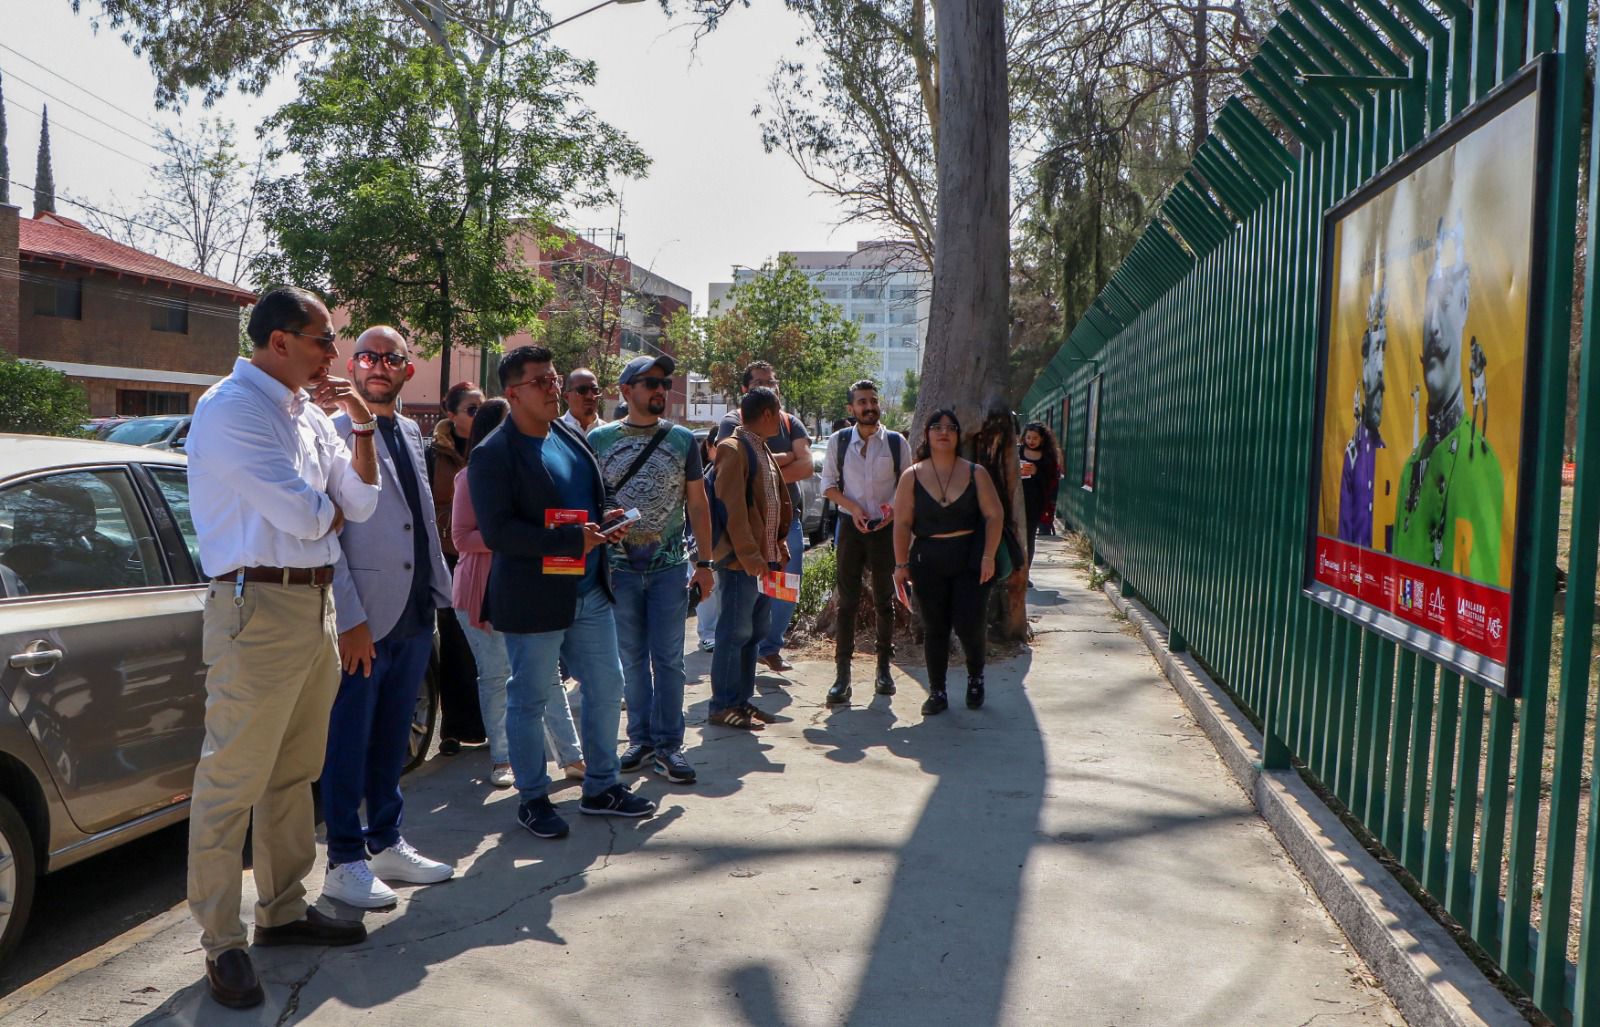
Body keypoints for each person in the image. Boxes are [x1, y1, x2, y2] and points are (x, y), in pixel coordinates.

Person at [184, 286, 381, 1009]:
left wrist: (359, 426)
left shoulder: (309, 414)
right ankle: (221, 940)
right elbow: (304, 513)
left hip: (312, 602)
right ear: (279, 343)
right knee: (232, 778)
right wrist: (327, 511)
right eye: (324, 338)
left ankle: (282, 910)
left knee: (293, 770)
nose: (336, 353)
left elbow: (360, 504)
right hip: (256, 603)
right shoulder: (232, 410)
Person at [467, 345, 655, 840]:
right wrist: (574, 539)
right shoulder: (493, 454)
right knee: (528, 699)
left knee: (606, 686)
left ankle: (601, 786)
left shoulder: (570, 438)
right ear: (512, 394)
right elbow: (499, 534)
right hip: (534, 597)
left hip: (589, 589)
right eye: (541, 382)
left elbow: (594, 495)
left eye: (554, 378)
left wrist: (608, 518)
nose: (554, 387)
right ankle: (533, 797)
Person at [320, 327, 457, 908]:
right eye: (368, 357)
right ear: (353, 365)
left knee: (393, 737)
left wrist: (437, 592)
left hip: (414, 609)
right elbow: (331, 537)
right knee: (348, 740)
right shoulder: (331, 432)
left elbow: (417, 520)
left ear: (407, 368)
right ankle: (344, 859)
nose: (378, 366)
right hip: (364, 619)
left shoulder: (406, 428)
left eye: (391, 358)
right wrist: (348, 615)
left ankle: (386, 841)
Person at [589, 354, 716, 783]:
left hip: (669, 570)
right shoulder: (599, 440)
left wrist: (705, 563)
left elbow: (698, 503)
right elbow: (590, 504)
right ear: (626, 392)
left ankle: (669, 745)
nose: (659, 389)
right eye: (649, 382)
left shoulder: (682, 440)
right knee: (631, 659)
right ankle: (640, 740)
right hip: (618, 571)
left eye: (663, 382)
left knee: (669, 660)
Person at [452, 399, 585, 789]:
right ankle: (502, 759)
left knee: (546, 676)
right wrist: (514, 538)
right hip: (480, 593)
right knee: (496, 677)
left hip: (529, 588)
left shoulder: (539, 474)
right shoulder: (470, 477)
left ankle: (572, 756)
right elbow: (462, 538)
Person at [1392, 218, 1504, 581]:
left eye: (1444, 303)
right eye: (1427, 310)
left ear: (1465, 305)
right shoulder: (1410, 466)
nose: (1434, 327)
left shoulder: (1482, 466)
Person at [892, 409, 1004, 716]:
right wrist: (901, 566)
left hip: (970, 559)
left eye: (951, 427)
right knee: (935, 628)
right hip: (928, 561)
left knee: (970, 624)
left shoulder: (975, 473)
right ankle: (937, 691)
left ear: (958, 435)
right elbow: (901, 524)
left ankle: (976, 677)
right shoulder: (911, 475)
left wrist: (988, 555)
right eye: (937, 427)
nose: (944, 432)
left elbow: (994, 515)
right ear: (926, 434)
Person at [715, 361, 811, 672]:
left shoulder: (785, 425)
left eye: (771, 382)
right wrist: (778, 464)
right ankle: (729, 700)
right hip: (746, 547)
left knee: (779, 595)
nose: (767, 387)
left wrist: (769, 468)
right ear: (746, 391)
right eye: (759, 383)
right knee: (738, 624)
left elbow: (807, 467)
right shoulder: (736, 428)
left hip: (779, 534)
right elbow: (734, 488)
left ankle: (768, 650)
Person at [708, 386, 793, 730]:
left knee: (754, 631)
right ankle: (722, 705)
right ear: (770, 414)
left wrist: (778, 543)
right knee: (734, 631)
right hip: (742, 563)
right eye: (781, 411)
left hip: (764, 561)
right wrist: (750, 556)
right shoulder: (732, 448)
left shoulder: (761, 448)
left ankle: (741, 701)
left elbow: (767, 504)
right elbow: (733, 508)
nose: (784, 419)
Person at [821, 380, 908, 705]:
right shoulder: (838, 442)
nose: (869, 406)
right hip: (851, 527)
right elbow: (828, 485)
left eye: (872, 400)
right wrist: (854, 508)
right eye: (861, 402)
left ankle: (884, 669)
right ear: (851, 409)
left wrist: (893, 511)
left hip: (886, 531)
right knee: (847, 603)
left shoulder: (897, 443)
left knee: (886, 601)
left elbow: (907, 485)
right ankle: (842, 675)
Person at [429, 380, 489, 754]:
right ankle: (451, 729)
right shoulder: (433, 453)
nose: (479, 416)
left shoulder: (494, 449)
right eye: (471, 409)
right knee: (453, 643)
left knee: (489, 643)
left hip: (489, 555)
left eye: (483, 409)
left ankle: (486, 725)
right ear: (450, 415)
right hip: (449, 557)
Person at [1337, 276, 1387, 548]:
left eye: (1384, 350)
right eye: (1375, 352)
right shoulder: (1354, 454)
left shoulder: (1397, 452)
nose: (1380, 365)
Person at [1018, 421, 1062, 571]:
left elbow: (1051, 479)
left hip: (1035, 502)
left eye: (1035, 438)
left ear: (1042, 439)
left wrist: (1036, 472)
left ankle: (1025, 573)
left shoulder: (1047, 457)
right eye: (1028, 437)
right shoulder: (1016, 452)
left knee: (1029, 537)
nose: (1031, 441)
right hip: (1015, 500)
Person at [693, 430, 720, 654]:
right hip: (705, 546)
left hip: (725, 543)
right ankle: (708, 635)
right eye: (719, 444)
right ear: (709, 446)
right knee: (708, 592)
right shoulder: (703, 476)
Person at [561, 366, 608, 436]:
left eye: (595, 390)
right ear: (566, 397)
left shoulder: (609, 434)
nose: (590, 396)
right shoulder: (554, 431)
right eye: (582, 390)